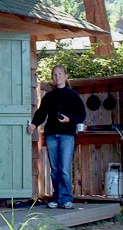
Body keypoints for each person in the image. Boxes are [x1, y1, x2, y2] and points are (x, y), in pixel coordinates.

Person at [27, 65, 86, 209]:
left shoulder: (73, 95)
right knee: (55, 170)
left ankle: (66, 199)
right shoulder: (49, 97)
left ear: (65, 76)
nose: (57, 76)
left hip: (67, 136)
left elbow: (82, 115)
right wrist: (34, 125)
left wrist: (69, 119)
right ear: (52, 77)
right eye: (54, 74)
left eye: (60, 73)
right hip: (51, 135)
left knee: (64, 168)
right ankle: (56, 197)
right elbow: (41, 113)